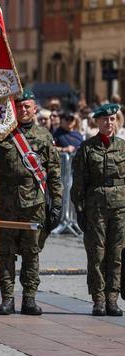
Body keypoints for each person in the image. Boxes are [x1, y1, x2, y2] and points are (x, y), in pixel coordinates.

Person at [0, 89, 62, 315]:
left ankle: (29, 298)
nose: (24, 110)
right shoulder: (2, 134)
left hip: (34, 204)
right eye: (20, 106)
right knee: (5, 253)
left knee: (31, 252)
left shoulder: (43, 136)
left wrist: (57, 203)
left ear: (35, 109)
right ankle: (7, 298)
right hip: (5, 204)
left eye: (28, 107)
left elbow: (53, 172)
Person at [71, 103, 125, 317]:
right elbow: (78, 183)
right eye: (104, 120)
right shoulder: (87, 148)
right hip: (95, 208)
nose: (108, 123)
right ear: (97, 122)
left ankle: (113, 298)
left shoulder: (123, 147)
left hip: (120, 208)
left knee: (117, 253)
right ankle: (99, 299)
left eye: (112, 119)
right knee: (96, 254)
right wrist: (80, 209)